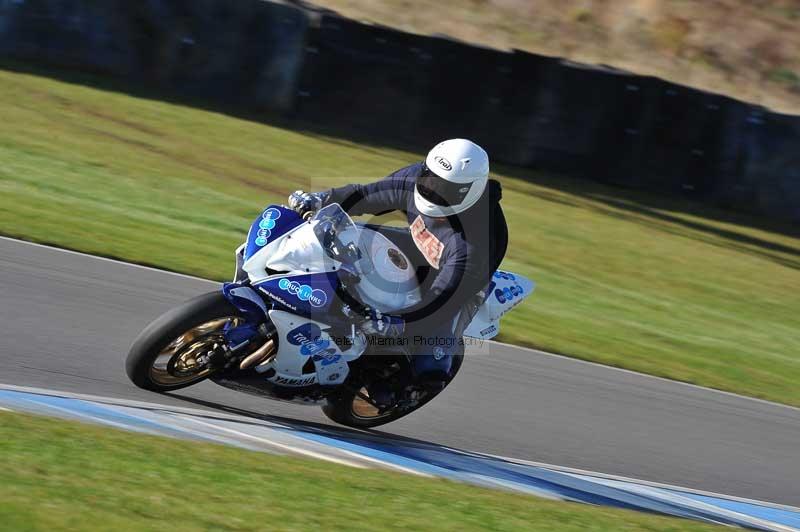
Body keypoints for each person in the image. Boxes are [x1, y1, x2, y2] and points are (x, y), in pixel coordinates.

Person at [288, 139, 508, 389]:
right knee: (338, 235)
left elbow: (442, 301)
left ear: (470, 190)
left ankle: (389, 387)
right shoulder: (415, 178)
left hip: (457, 284)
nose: (433, 189)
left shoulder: (474, 243)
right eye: (431, 179)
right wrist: (322, 199)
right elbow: (367, 195)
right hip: (419, 242)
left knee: (428, 365)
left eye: (445, 188)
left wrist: (400, 324)